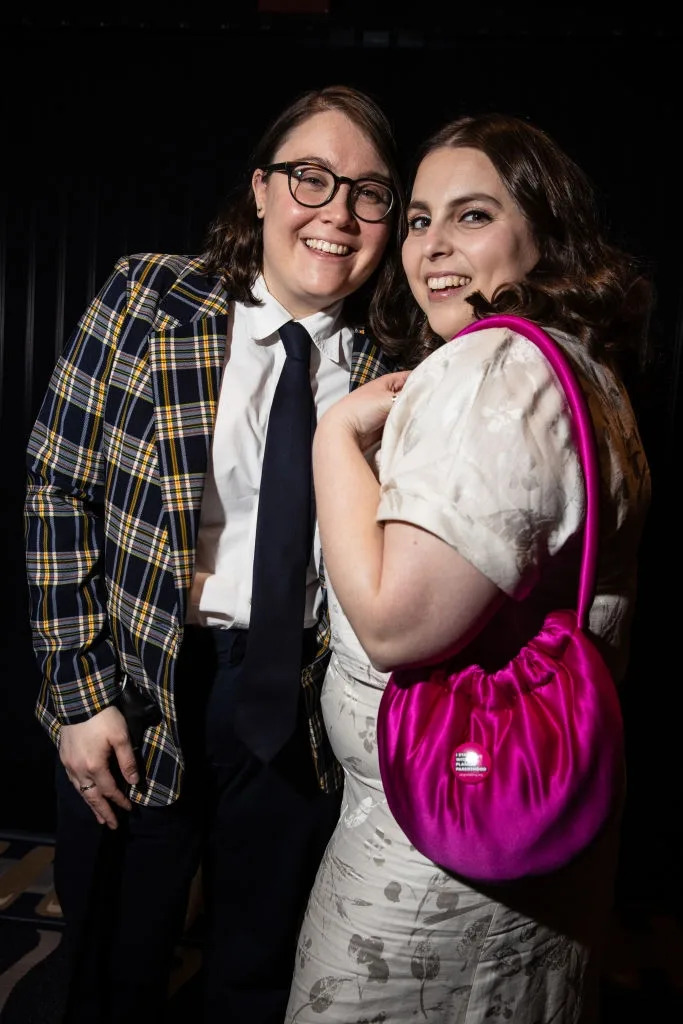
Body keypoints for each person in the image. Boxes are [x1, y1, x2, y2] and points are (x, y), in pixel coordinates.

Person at [23, 84, 410, 1024]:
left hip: (296, 704)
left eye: (367, 193)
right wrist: (79, 697)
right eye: (309, 178)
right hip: (143, 683)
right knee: (113, 957)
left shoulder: (396, 357)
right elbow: (56, 488)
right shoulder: (148, 295)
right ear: (261, 190)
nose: (337, 213)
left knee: (258, 967)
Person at [285, 112, 653, 1023]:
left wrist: (333, 440)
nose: (432, 247)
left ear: (545, 235)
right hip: (522, 843)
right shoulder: (585, 368)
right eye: (416, 219)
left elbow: (393, 622)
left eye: (473, 215)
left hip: (436, 863)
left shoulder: (491, 368)